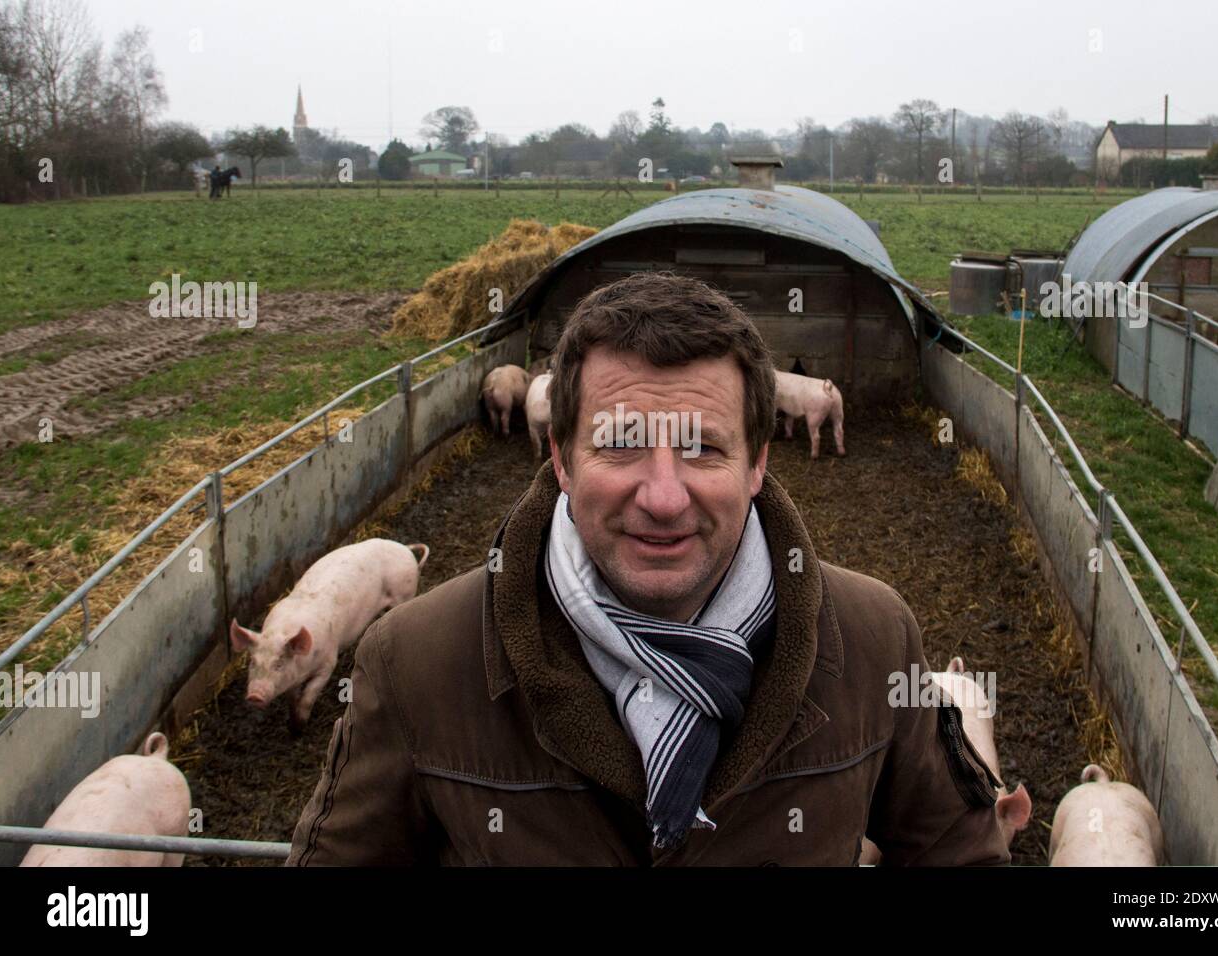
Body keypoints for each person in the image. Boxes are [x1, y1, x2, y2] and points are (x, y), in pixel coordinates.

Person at [286, 270, 1010, 866]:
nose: (663, 497)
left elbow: (959, 854)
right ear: (561, 457)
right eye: (620, 445)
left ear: (758, 461)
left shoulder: (874, 640)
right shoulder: (416, 664)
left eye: (702, 448)